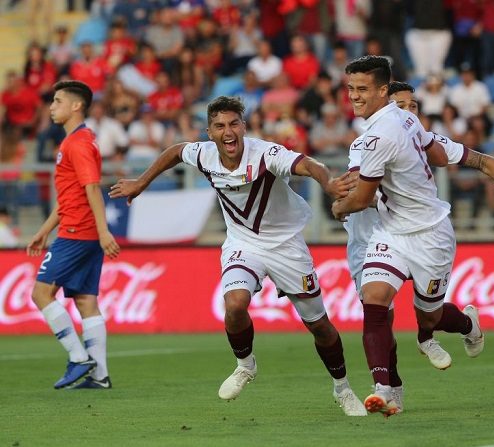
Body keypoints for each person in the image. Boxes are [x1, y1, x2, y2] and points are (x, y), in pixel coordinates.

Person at [109, 96, 366, 416]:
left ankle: (342, 388)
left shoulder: (265, 154)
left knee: (320, 326)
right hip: (243, 244)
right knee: (234, 304)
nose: (227, 131)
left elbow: (310, 165)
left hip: (286, 246)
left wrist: (328, 184)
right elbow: (175, 151)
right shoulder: (203, 154)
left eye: (233, 124)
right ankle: (246, 365)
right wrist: (140, 183)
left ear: (243, 127)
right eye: (219, 126)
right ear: (210, 132)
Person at [331, 56, 494, 417]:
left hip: (431, 235)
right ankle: (385, 388)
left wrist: (339, 208)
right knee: (374, 300)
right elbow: (452, 157)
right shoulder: (407, 121)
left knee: (427, 318)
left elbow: (362, 198)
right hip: (391, 233)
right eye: (350, 88)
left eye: (362, 88)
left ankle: (466, 323)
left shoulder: (380, 136)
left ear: (383, 90)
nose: (354, 95)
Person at [26, 80, 121, 390]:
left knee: (41, 293)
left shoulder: (76, 144)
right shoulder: (80, 141)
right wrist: (43, 231)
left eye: (56, 101)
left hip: (77, 231)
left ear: (75, 106)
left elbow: (93, 187)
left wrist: (104, 230)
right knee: (85, 301)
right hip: (82, 229)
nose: (51, 107)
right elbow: (72, 194)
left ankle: (79, 358)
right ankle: (100, 376)